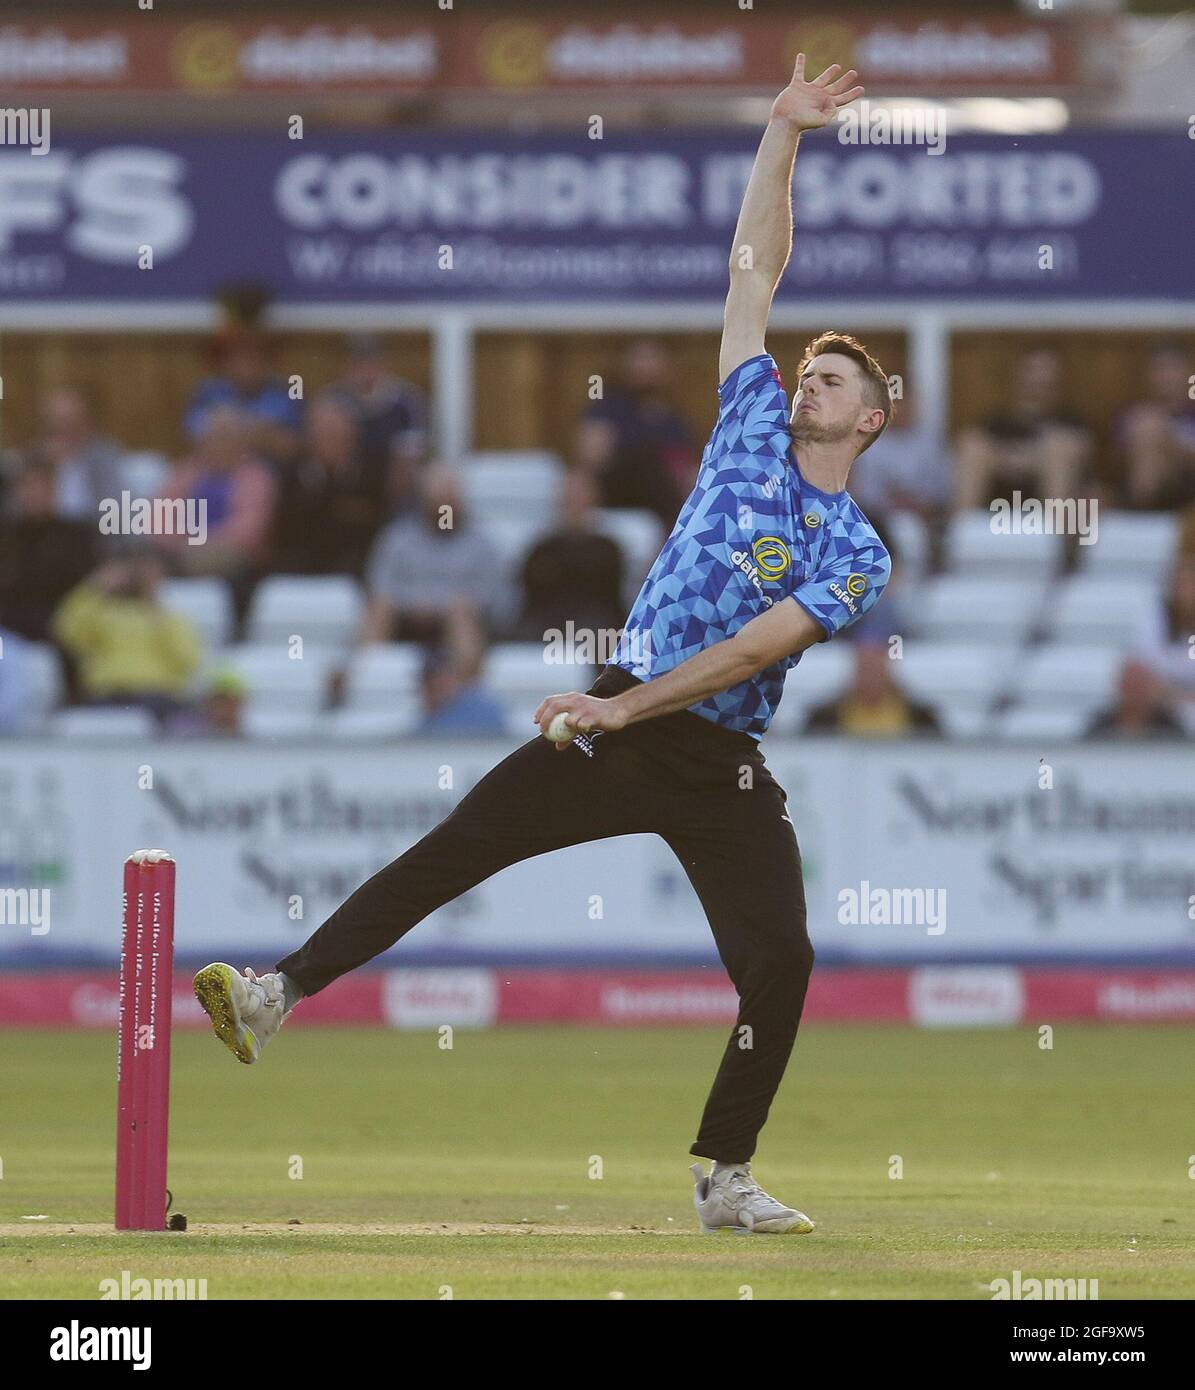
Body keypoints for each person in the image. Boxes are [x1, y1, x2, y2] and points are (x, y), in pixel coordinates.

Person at [193, 56, 890, 1237]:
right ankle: (275, 991)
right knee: (455, 848)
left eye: (832, 378)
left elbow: (745, 656)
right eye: (806, 368)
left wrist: (628, 711)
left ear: (870, 418)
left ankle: (725, 1174)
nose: (805, 380)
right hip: (622, 716)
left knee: (781, 959)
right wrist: (780, 133)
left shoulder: (857, 549)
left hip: (709, 754)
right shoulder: (749, 418)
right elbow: (753, 268)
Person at [51, 554, 202, 722]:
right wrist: (95, 587)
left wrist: (154, 607)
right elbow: (65, 632)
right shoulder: (101, 612)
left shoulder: (172, 617)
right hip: (107, 695)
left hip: (158, 696)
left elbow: (189, 660)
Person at [576, 338, 699, 529]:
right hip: (618, 489)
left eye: (652, 360)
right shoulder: (608, 406)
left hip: (662, 493)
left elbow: (687, 465)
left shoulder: (674, 418)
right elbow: (592, 457)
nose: (647, 369)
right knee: (648, 459)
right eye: (641, 360)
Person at [954, 347, 1092, 512]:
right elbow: (976, 449)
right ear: (1018, 379)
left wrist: (1014, 460)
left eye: (1046, 378)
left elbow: (1081, 455)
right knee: (973, 446)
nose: (1039, 381)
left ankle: (1055, 534)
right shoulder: (996, 424)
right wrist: (1030, 460)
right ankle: (963, 529)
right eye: (1034, 375)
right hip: (998, 499)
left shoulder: (1071, 422)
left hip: (1055, 505)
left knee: (1059, 450)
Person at [271, 394, 388, 578]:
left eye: (336, 434)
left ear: (352, 436)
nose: (330, 440)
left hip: (354, 565)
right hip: (299, 565)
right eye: (323, 434)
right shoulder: (292, 473)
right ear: (310, 437)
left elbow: (374, 522)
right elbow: (285, 526)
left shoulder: (372, 473)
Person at [513, 470, 626, 642]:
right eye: (568, 497)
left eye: (579, 495)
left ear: (593, 499)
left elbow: (611, 598)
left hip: (596, 623)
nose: (574, 502)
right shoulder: (542, 549)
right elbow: (530, 595)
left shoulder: (608, 549)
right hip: (547, 622)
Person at [0, 464, 98, 642]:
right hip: (8, 629)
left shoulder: (77, 535)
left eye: (40, 486)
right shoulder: (6, 534)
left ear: (54, 490)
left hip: (60, 627)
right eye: (27, 486)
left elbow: (84, 587)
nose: (33, 494)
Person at [184, 327, 302, 465]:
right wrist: (262, 432)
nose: (246, 365)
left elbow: (291, 445)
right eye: (239, 357)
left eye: (253, 357)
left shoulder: (287, 390)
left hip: (273, 474)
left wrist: (232, 428)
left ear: (266, 360)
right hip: (220, 472)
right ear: (225, 362)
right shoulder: (208, 391)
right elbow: (195, 436)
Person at [805, 640, 941, 737]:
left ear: (888, 672)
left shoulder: (923, 719)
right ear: (855, 672)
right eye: (866, 670)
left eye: (876, 671)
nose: (871, 677)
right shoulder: (822, 719)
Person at [1116, 343, 1195, 510]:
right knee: (1148, 429)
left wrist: (1170, 442)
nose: (1168, 376)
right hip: (1142, 486)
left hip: (1187, 486)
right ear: (1149, 376)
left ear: (1188, 373)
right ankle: (1146, 514)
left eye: (1174, 368)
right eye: (1160, 369)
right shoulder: (1134, 415)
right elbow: (1120, 460)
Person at [1085, 659, 1184, 739]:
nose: (1135, 691)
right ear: (1119, 686)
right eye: (1130, 684)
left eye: (1140, 685)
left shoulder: (1170, 727)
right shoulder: (1101, 725)